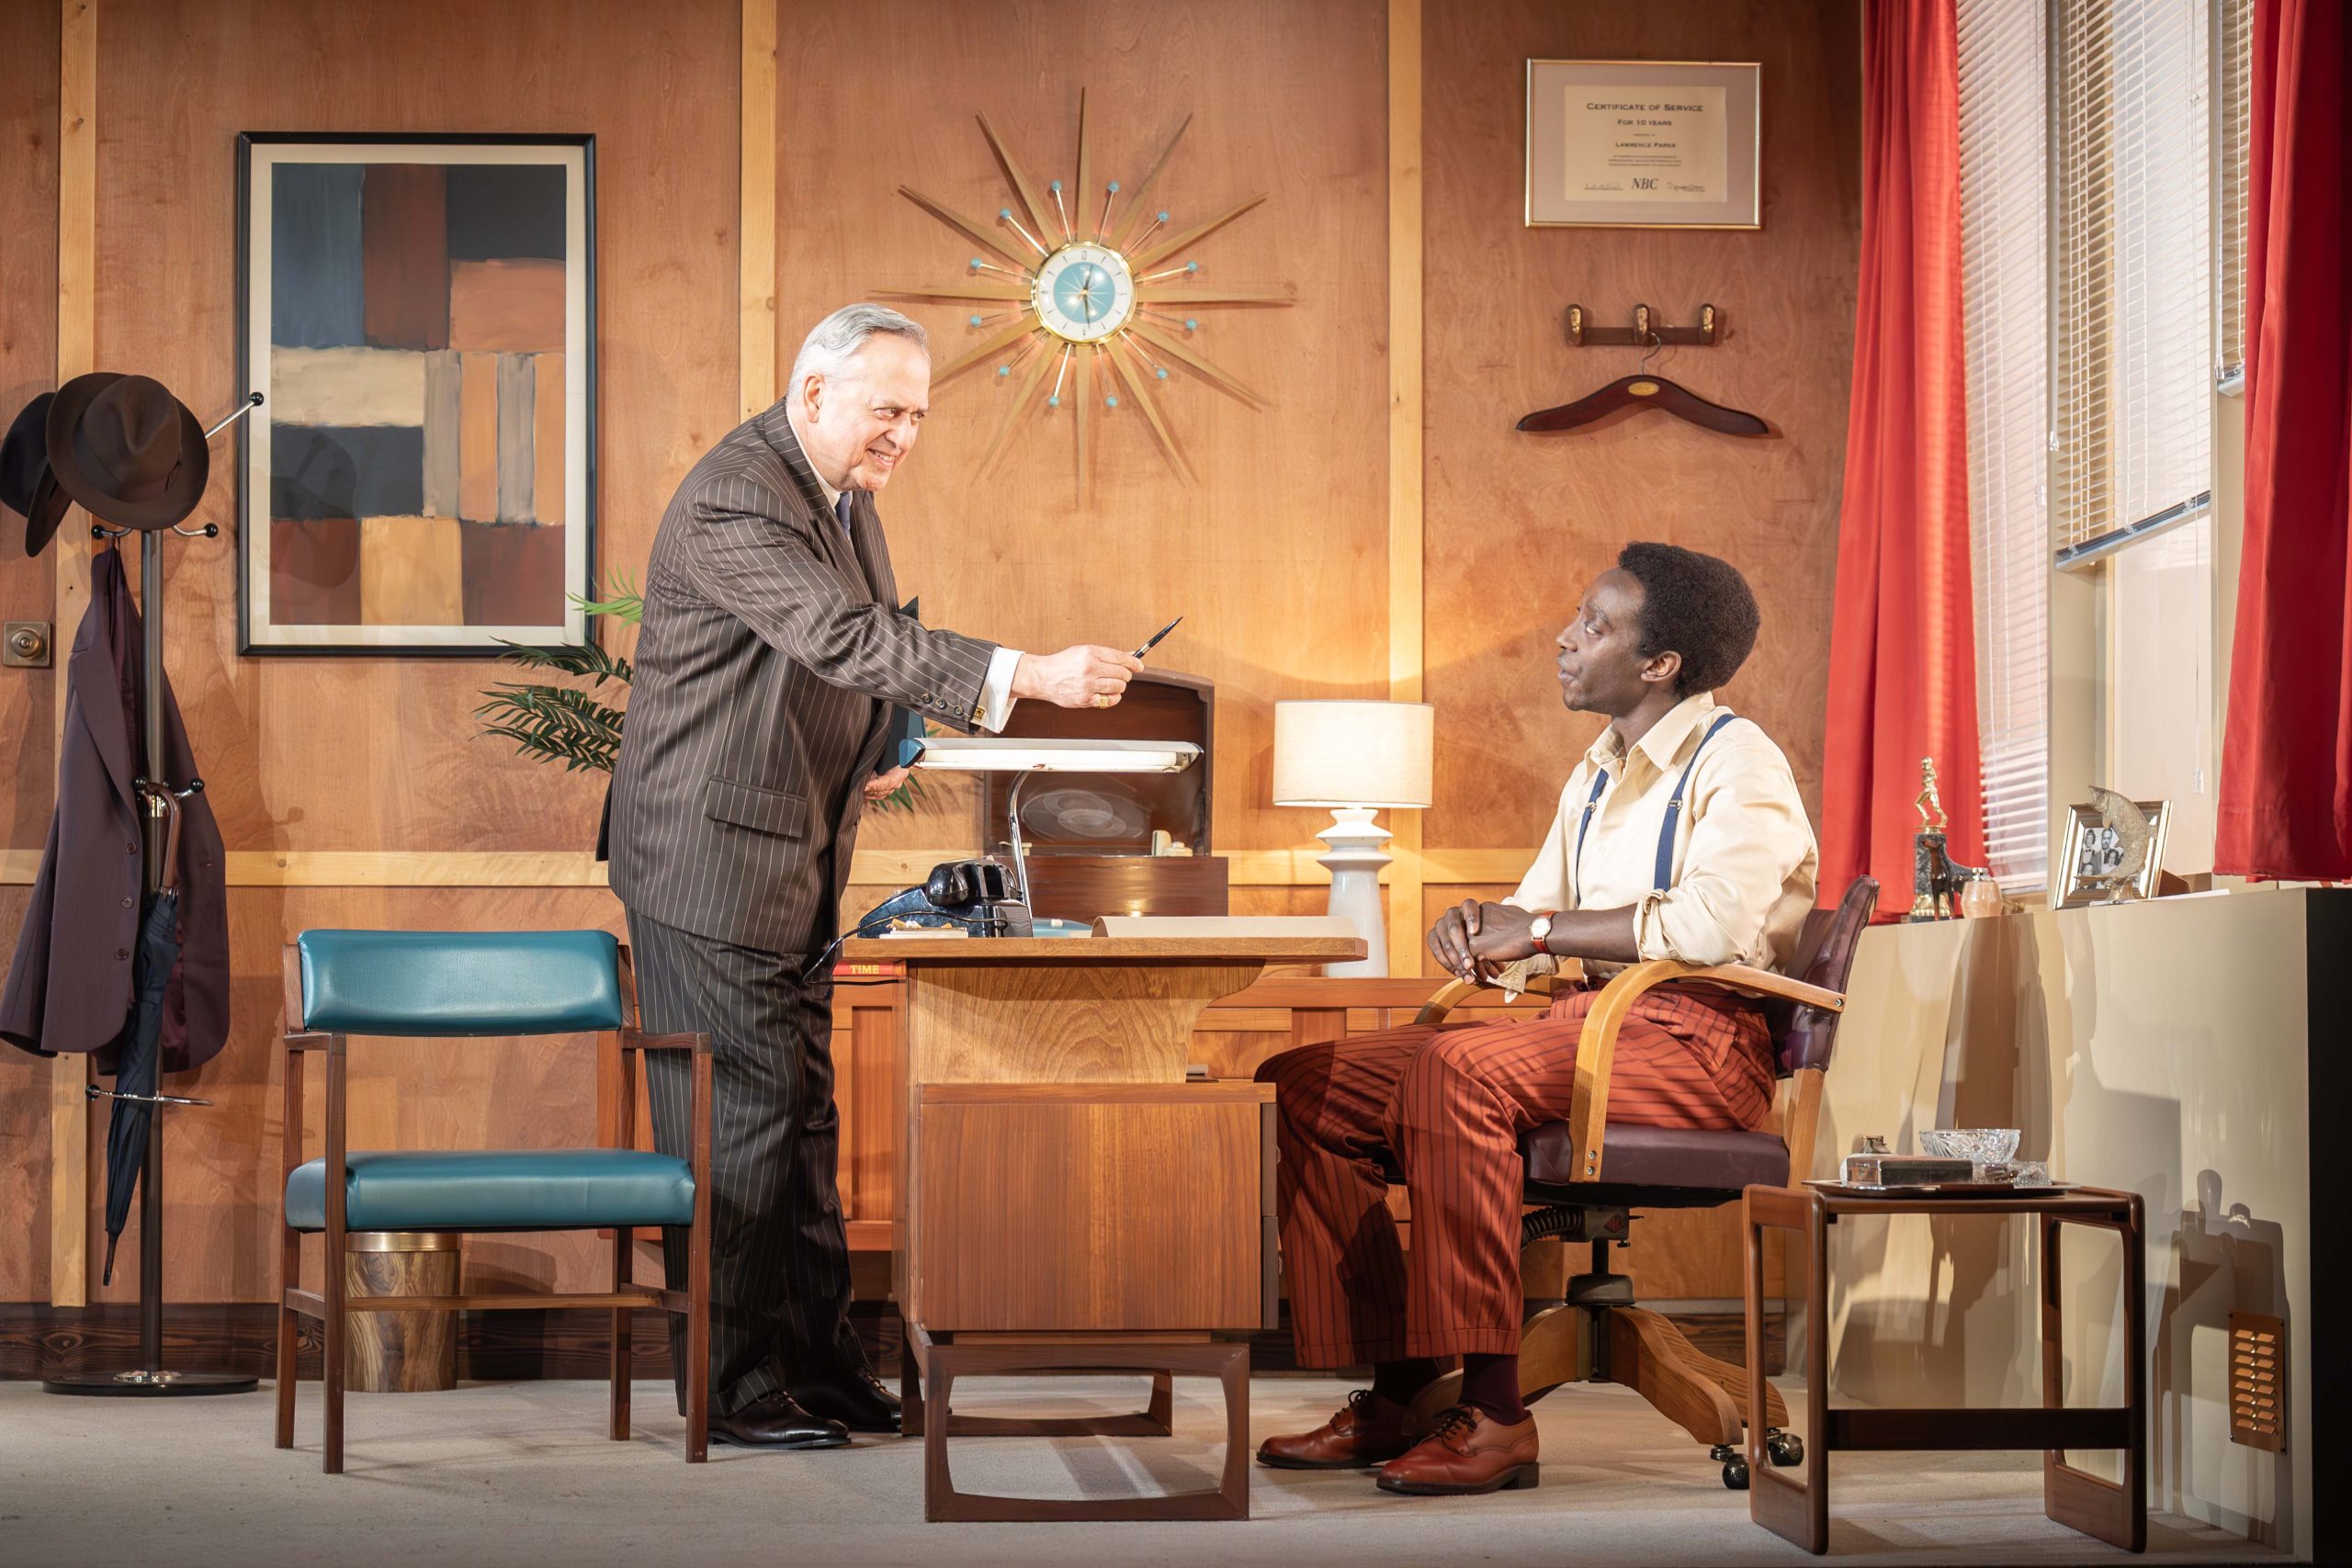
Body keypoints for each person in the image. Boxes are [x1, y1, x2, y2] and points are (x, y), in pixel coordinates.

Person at [606, 304, 1141, 1450]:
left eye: (917, 415)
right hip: (707, 858)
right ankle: (735, 1390)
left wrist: (881, 750)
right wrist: (1030, 672)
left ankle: (820, 1368)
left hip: (786, 846)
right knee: (737, 1130)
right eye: (886, 409)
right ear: (811, 394)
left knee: (800, 1124)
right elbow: (839, 637)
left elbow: (843, 659)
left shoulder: (837, 496)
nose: (904, 434)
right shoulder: (737, 494)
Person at [1254, 542, 1818, 1495]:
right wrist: (1478, 926)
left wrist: (1540, 930)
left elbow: (1714, 925)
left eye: (1595, 627)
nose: (1564, 640)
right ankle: (1397, 1389)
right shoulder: (1597, 772)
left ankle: (1495, 1414)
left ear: (1658, 664)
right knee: (1305, 1085)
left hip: (1700, 1045)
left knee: (1454, 1072)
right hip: (1594, 1026)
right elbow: (1538, 919)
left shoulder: (1738, 762)